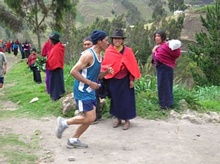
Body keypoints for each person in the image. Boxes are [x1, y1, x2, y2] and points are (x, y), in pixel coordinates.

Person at [55, 30, 113, 148]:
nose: (108, 43)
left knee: (90, 118)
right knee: (90, 117)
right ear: (99, 41)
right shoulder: (88, 55)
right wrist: (90, 83)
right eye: (106, 40)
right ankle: (64, 123)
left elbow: (95, 75)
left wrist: (105, 72)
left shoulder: (99, 55)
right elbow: (73, 72)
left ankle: (73, 139)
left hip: (90, 91)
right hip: (82, 91)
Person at [101, 29, 141, 130]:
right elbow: (105, 65)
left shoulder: (128, 51)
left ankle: (127, 120)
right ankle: (118, 118)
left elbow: (132, 66)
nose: (117, 40)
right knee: (115, 99)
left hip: (125, 79)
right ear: (112, 40)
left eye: (119, 38)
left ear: (122, 40)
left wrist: (132, 79)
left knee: (126, 100)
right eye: (115, 38)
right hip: (113, 79)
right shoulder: (109, 51)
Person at [151, 29, 181, 110]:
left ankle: (164, 105)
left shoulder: (163, 47)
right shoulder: (168, 45)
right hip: (169, 68)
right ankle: (169, 103)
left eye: (159, 36)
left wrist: (154, 51)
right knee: (168, 85)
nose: (157, 38)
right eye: (156, 36)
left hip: (163, 68)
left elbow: (158, 58)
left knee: (163, 86)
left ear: (162, 37)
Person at [46, 31, 65, 101]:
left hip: (56, 67)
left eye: (50, 39)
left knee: (56, 82)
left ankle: (56, 96)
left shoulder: (57, 47)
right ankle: (56, 94)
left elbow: (55, 59)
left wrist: (50, 64)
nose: (49, 41)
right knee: (55, 81)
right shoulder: (56, 46)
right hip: (54, 67)